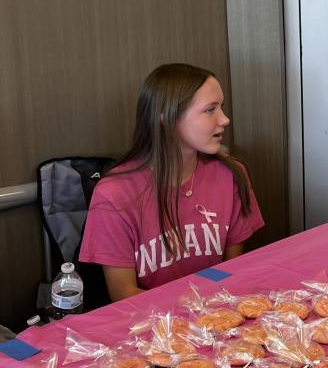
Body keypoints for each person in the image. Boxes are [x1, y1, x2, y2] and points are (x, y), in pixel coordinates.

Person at [80, 63, 263, 300]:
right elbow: (124, 295)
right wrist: (191, 311)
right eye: (210, 110)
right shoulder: (114, 194)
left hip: (216, 313)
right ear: (167, 119)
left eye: (222, 107)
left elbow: (230, 273)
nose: (225, 119)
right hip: (151, 319)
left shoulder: (230, 174)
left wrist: (211, 311)